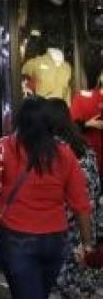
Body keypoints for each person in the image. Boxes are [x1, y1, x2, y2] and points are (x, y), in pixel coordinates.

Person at [0, 97, 94, 299]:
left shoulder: (3, 148)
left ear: (19, 121)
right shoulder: (65, 153)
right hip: (55, 242)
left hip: (15, 239)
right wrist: (87, 245)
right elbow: (81, 204)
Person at [46, 98, 103, 297]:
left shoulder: (52, 152)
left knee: (61, 285)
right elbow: (96, 192)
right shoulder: (86, 148)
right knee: (85, 284)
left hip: (62, 229)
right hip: (88, 229)